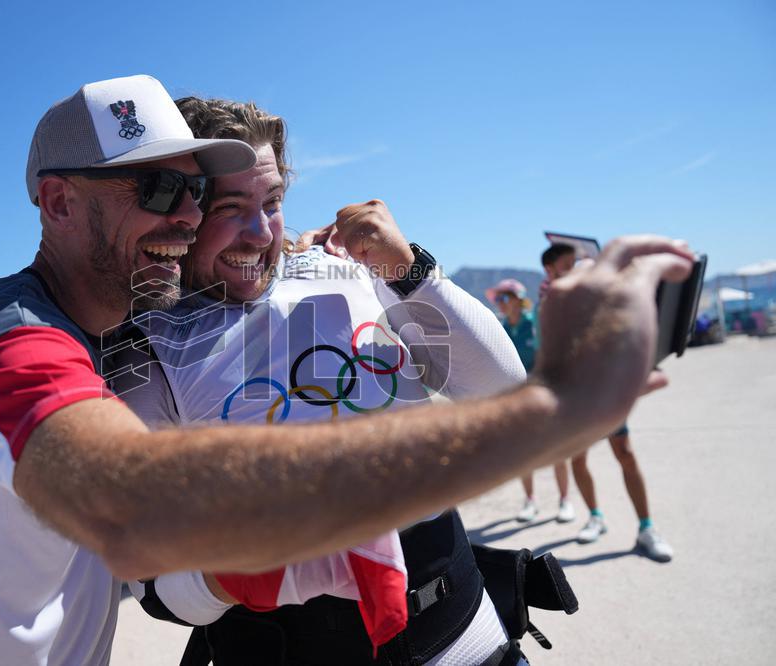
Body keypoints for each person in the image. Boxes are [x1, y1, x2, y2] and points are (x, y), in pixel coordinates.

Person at [0, 74, 692, 665]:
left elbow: (485, 380)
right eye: (166, 193)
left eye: (203, 195)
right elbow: (137, 527)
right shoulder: (36, 342)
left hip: (460, 629)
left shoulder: (333, 274)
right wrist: (545, 414)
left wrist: (411, 273)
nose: (193, 218)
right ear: (57, 203)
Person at [111, 96, 529, 665]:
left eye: (272, 202)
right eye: (230, 207)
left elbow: (503, 393)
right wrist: (244, 574)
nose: (259, 233)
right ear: (179, 215)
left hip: (473, 636)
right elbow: (155, 587)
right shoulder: (144, 350)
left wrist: (411, 271)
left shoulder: (345, 267)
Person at [540, 244, 675, 562]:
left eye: (575, 261)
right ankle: (596, 517)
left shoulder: (591, 293)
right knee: (578, 460)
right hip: (575, 397)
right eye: (567, 263)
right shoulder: (549, 300)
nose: (574, 266)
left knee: (625, 454)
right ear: (550, 269)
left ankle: (647, 527)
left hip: (604, 391)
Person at [487, 278, 574, 525]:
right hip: (518, 401)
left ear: (519, 299)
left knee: (557, 451)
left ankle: (565, 500)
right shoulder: (501, 328)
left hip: (544, 396)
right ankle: (530, 501)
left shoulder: (534, 324)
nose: (500, 303)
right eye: (497, 299)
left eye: (504, 297)